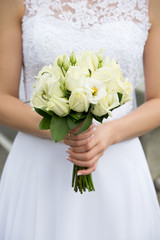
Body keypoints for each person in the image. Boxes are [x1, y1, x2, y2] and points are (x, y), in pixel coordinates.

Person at [0, 0, 160, 239]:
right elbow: (3, 98)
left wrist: (108, 133)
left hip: (118, 169)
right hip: (38, 170)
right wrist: (58, 130)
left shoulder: (150, 4)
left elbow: (157, 100)